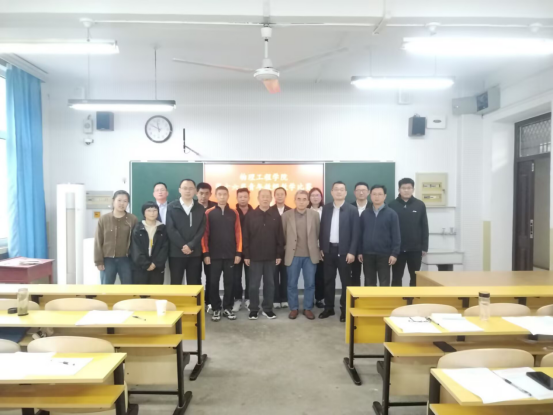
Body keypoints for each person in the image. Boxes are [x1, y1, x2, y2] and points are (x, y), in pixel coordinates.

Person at [319, 182, 359, 322]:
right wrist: (322, 248)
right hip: (328, 250)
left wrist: (352, 251)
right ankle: (328, 308)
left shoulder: (352, 210)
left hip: (345, 252)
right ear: (331, 192)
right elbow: (322, 229)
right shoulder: (326, 208)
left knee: (345, 282)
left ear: (346, 193)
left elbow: (356, 233)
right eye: (336, 189)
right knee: (328, 280)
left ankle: (344, 310)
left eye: (342, 189)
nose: (339, 192)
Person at [202, 186, 242, 322]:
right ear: (216, 195)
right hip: (213, 256)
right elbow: (205, 234)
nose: (222, 197)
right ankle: (216, 309)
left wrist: (238, 253)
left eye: (224, 194)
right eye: (220, 194)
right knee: (213, 283)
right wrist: (206, 253)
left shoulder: (234, 213)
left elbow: (238, 233)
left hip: (230, 255)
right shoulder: (209, 213)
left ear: (228, 196)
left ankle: (227, 308)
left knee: (229, 283)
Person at [243, 189, 284, 320]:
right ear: (258, 198)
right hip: (254, 257)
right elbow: (245, 236)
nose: (265, 199)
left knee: (270, 284)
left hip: (271, 257)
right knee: (253, 285)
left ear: (271, 198)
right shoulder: (251, 215)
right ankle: (253, 309)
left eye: (267, 197)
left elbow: (280, 236)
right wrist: (246, 255)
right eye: (263, 196)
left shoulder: (276, 215)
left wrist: (279, 254)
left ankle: (267, 309)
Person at [282, 190, 321, 320]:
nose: (301, 202)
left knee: (310, 284)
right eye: (299, 199)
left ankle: (307, 308)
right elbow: (283, 234)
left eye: (304, 199)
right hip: (293, 255)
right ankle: (294, 308)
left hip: (310, 255)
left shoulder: (314, 215)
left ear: (308, 201)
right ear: (295, 200)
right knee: (291, 284)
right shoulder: (286, 215)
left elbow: (318, 233)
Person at [388, 178, 429, 287]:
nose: (406, 190)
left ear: (413, 189)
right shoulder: (392, 205)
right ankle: (396, 297)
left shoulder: (420, 205)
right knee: (396, 277)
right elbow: (388, 228)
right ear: (399, 189)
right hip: (398, 250)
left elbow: (424, 226)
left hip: (415, 249)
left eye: (409, 188)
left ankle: (414, 297)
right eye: (403, 188)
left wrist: (424, 247)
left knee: (415, 277)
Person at [358, 185, 401, 287]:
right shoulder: (365, 214)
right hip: (367, 254)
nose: (377, 197)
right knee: (369, 283)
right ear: (370, 195)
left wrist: (394, 253)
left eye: (380, 194)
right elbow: (360, 234)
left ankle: (383, 299)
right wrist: (360, 251)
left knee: (384, 283)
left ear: (385, 196)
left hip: (385, 254)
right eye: (374, 194)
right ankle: (370, 299)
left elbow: (396, 235)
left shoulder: (392, 214)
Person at [166, 179, 206, 286]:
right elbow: (170, 229)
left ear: (195, 191)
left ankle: (194, 299)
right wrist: (183, 245)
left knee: (194, 282)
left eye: (191, 188)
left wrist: (191, 245)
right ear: (180, 190)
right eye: (185, 188)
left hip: (195, 252)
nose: (188, 191)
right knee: (176, 282)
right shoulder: (171, 207)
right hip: (176, 252)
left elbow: (202, 229)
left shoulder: (200, 208)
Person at [94, 190, 138, 284]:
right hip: (107, 259)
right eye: (119, 200)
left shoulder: (132, 219)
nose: (122, 203)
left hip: (126, 259)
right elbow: (98, 241)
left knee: (128, 286)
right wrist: (98, 261)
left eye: (125, 201)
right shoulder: (104, 219)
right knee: (107, 287)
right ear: (113, 201)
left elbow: (136, 242)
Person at [130, 201, 169, 284]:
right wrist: (146, 264)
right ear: (144, 213)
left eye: (155, 210)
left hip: (157, 267)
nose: (152, 213)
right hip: (140, 267)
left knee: (156, 290)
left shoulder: (162, 228)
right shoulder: (138, 228)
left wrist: (155, 263)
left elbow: (165, 248)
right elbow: (135, 248)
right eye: (149, 210)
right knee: (140, 290)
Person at [196, 182, 217, 312]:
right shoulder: (192, 207)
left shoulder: (216, 207)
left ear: (210, 194)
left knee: (211, 277)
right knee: (196, 276)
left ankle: (210, 301)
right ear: (196, 193)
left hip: (211, 249)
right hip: (195, 248)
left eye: (206, 193)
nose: (203, 196)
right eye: (201, 193)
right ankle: (198, 301)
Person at [270, 187, 291, 309]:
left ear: (285, 196)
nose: (279, 196)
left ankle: (284, 298)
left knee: (285, 275)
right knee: (273, 275)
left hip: (287, 248)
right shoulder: (269, 210)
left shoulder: (291, 210)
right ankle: (275, 299)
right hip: (272, 248)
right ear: (274, 196)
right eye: (277, 194)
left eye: (282, 194)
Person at [233, 188, 254, 312]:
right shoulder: (232, 212)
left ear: (249, 198)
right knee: (236, 277)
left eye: (245, 196)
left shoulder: (254, 213)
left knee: (250, 277)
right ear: (237, 198)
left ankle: (248, 299)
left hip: (250, 251)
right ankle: (237, 299)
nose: (242, 199)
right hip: (236, 250)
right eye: (240, 197)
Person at [308, 187, 325, 309]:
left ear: (321, 197)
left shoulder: (326, 210)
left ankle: (319, 298)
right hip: (308, 248)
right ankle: (309, 299)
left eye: (317, 195)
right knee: (310, 276)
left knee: (320, 275)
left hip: (322, 249)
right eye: (312, 195)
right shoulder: (305, 211)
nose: (315, 197)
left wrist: (321, 248)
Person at [351, 182, 370, 286]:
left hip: (369, 248)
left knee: (369, 276)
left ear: (368, 192)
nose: (361, 193)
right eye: (358, 190)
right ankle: (355, 296)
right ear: (354, 192)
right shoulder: (349, 207)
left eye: (363, 190)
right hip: (352, 248)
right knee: (354, 275)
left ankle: (367, 295)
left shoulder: (374, 207)